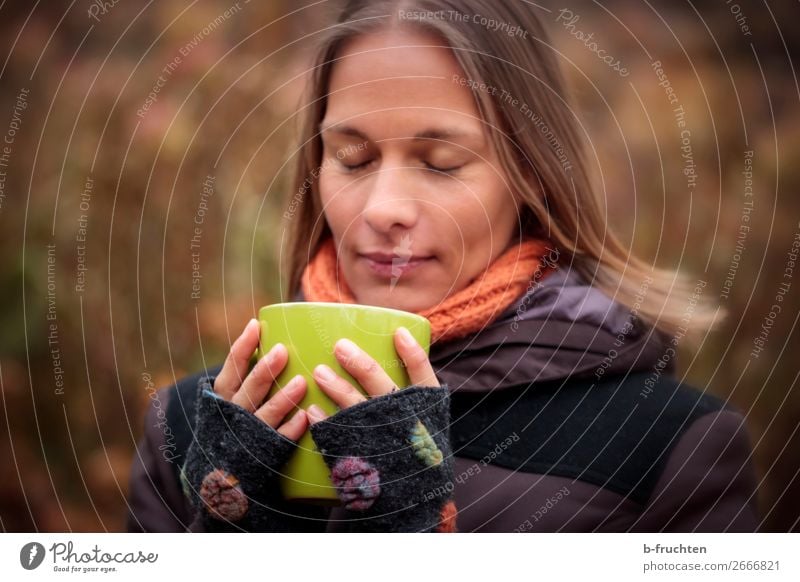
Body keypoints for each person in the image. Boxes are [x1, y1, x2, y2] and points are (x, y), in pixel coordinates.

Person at [126, 0, 759, 533]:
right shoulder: (192, 425)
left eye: (441, 162)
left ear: (531, 173)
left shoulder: (671, 444)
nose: (384, 208)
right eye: (352, 158)